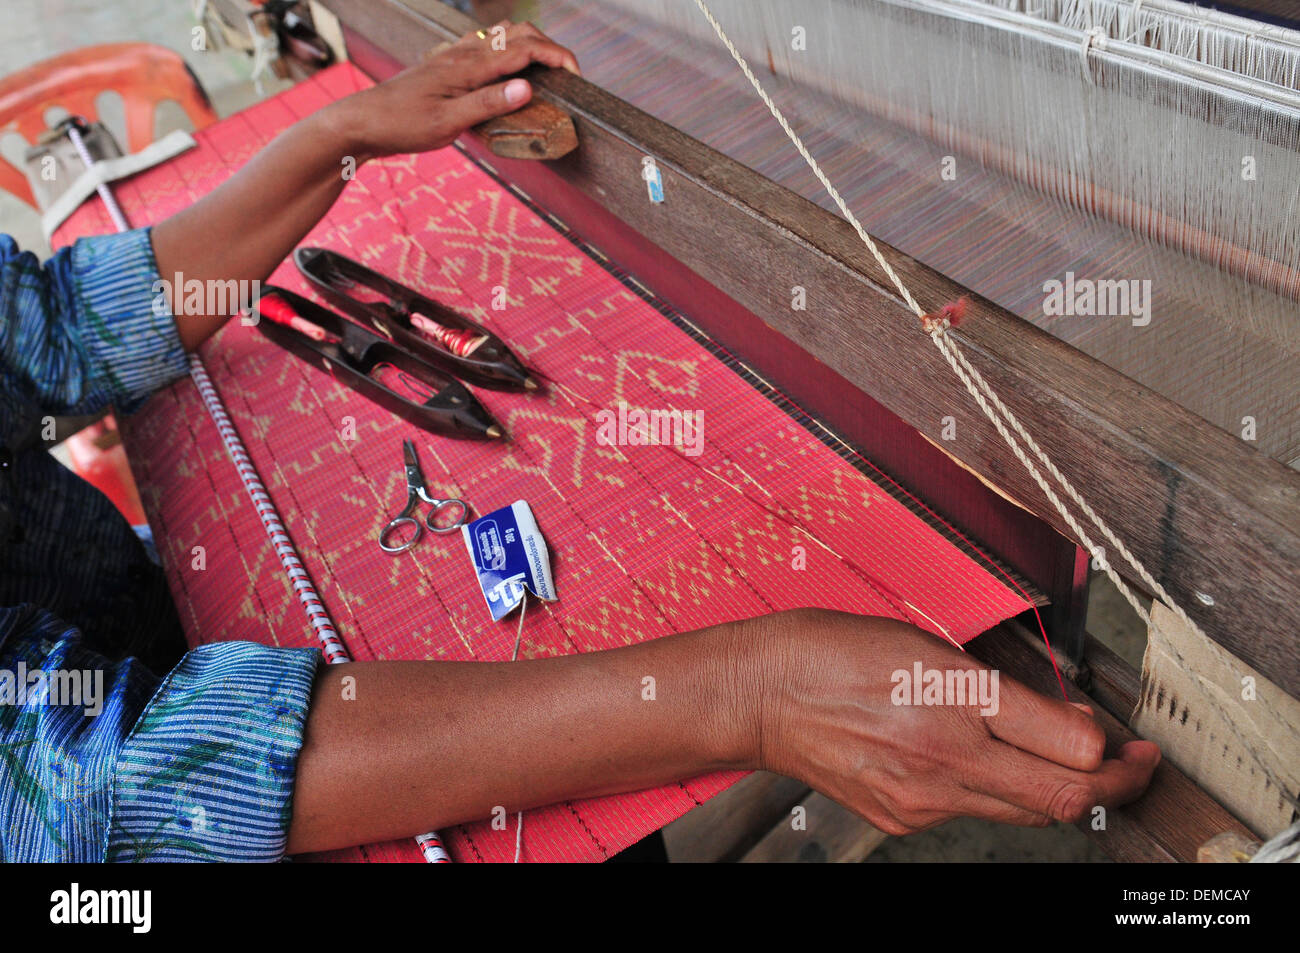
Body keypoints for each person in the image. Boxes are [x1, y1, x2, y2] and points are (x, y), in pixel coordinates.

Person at [0, 22, 1159, 862]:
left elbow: (51, 335)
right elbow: (106, 790)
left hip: (115, 616)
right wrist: (747, 694)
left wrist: (338, 136)